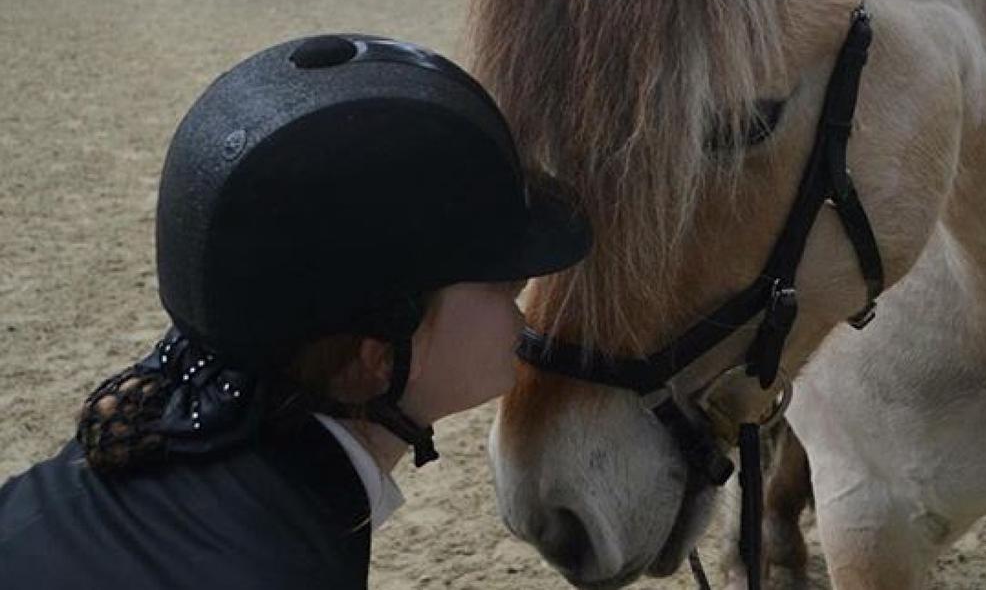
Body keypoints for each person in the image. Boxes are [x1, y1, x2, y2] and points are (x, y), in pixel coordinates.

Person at [0, 33, 590, 589]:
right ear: (375, 359)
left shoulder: (143, 443)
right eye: (504, 282)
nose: (528, 297)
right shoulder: (277, 565)